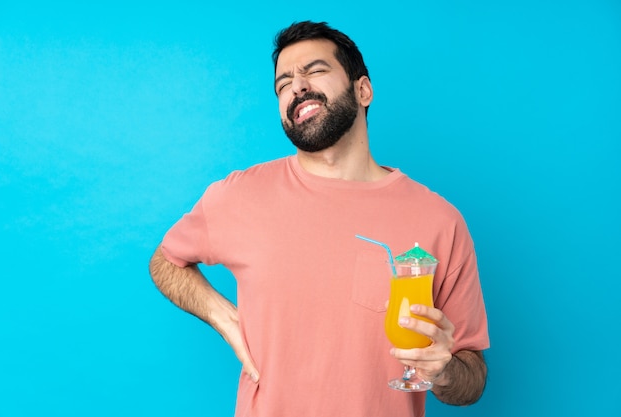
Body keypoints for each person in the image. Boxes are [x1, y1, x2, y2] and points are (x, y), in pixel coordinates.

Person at [149, 20, 489, 417]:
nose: (296, 86)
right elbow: (165, 261)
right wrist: (223, 317)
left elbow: (473, 381)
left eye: (315, 70)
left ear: (363, 90)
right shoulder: (239, 195)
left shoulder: (439, 220)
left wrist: (446, 370)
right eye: (283, 83)